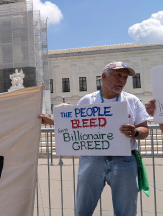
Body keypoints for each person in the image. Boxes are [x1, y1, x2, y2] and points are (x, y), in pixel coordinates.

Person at [40, 62, 150, 216]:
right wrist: (51, 121)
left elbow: (145, 129)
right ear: (104, 77)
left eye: (125, 77)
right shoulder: (87, 100)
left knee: (126, 211)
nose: (122, 80)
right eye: (118, 75)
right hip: (92, 160)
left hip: (124, 161)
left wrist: (136, 132)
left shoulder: (132, 100)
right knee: (83, 209)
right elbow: (74, 123)